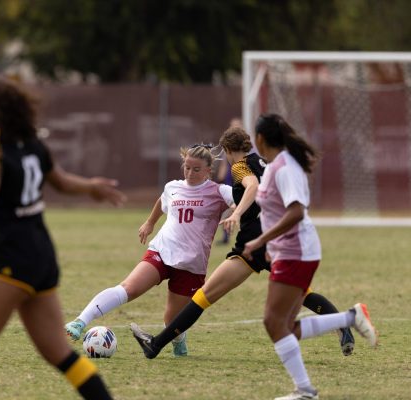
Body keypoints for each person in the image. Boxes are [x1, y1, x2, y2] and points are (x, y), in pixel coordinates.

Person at [0, 75, 124, 400]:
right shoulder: (32, 142)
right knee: (60, 353)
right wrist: (91, 187)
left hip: (11, 257)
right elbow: (60, 181)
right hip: (42, 255)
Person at [130, 125, 356, 360]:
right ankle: (343, 325)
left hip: (252, 244)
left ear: (228, 150)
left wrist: (237, 214)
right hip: (273, 240)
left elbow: (253, 187)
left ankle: (155, 345)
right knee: (301, 293)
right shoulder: (264, 163)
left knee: (203, 296)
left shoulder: (239, 166)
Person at [246, 113, 377, 400]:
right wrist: (270, 246)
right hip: (287, 251)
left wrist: (260, 239)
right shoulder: (272, 167)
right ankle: (350, 318)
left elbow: (296, 211)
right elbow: (276, 210)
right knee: (286, 326)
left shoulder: (285, 167)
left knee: (273, 322)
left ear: (259, 139)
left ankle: (305, 390)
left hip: (298, 251)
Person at [65, 143, 233, 357]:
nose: (190, 173)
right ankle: (80, 322)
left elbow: (244, 199)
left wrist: (236, 212)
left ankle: (179, 339)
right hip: (162, 251)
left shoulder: (219, 191)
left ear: (209, 170)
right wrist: (150, 222)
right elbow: (162, 201)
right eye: (186, 167)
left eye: (196, 169)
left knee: (171, 320)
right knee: (128, 288)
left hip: (192, 264)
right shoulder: (173, 187)